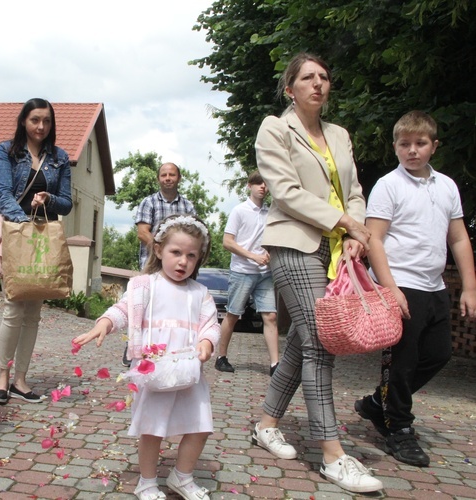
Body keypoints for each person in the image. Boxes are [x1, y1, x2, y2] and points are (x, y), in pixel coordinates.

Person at [251, 53, 382, 493]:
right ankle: (332, 454)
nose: (318, 83)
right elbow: (285, 192)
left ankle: (267, 422)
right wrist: (344, 222)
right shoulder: (274, 127)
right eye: (307, 77)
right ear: (291, 89)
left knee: (304, 339)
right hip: (293, 242)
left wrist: (356, 234)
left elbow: (355, 192)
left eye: (324, 76)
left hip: (336, 247)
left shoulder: (340, 135)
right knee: (321, 343)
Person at [355, 111, 476, 467]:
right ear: (395, 146)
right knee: (402, 363)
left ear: (433, 146)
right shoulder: (389, 185)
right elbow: (374, 238)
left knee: (439, 355)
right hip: (401, 284)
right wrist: (390, 288)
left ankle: (379, 403)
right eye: (404, 144)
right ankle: (398, 428)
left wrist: (469, 286)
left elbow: (458, 237)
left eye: (420, 143)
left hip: (435, 286)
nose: (412, 151)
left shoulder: (447, 186)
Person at [73, 214, 220, 500]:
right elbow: (123, 310)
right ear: (158, 250)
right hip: (154, 371)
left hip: (189, 372)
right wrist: (104, 323)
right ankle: (148, 481)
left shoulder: (200, 293)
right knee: (152, 430)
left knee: (200, 426)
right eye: (176, 252)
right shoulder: (144, 285)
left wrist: (206, 341)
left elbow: (211, 324)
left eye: (191, 256)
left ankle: (182, 476)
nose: (182, 262)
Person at [0, 98, 72, 405]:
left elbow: (66, 202)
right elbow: (2, 195)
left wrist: (48, 197)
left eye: (47, 121)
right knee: (13, 308)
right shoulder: (7, 151)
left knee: (33, 314)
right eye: (35, 120)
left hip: (44, 236)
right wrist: (25, 222)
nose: (41, 126)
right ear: (24, 120)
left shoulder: (60, 158)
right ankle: (2, 375)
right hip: (17, 232)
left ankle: (20, 380)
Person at [124, 162, 195, 367]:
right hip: (151, 261)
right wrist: (162, 250)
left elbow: (193, 234)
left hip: (178, 262)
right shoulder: (149, 202)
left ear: (178, 178)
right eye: (163, 175)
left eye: (171, 174)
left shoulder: (188, 206)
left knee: (174, 304)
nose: (167, 178)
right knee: (143, 305)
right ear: (159, 179)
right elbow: (142, 232)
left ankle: (171, 346)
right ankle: (133, 346)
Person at [214, 171, 279, 375]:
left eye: (265, 183)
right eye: (258, 183)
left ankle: (275, 364)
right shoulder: (239, 211)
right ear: (249, 186)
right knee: (233, 315)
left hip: (265, 273)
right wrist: (253, 256)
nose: (262, 187)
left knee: (270, 316)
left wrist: (268, 252)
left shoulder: (270, 212)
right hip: (242, 271)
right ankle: (221, 357)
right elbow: (227, 242)